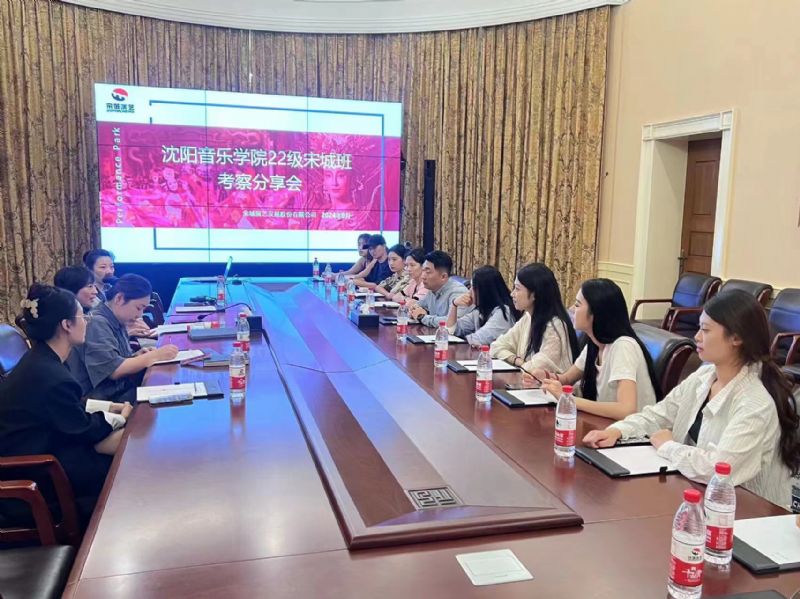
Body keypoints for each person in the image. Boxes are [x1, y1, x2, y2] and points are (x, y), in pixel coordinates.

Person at [584, 290, 800, 509]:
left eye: (705, 330)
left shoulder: (755, 402)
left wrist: (668, 446)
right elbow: (659, 414)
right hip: (699, 496)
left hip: (748, 512)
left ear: (736, 338)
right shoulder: (705, 375)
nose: (696, 336)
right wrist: (617, 431)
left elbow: (718, 469)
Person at [0, 284, 132, 516]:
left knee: (121, 447)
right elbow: (83, 429)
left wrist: (111, 406)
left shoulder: (42, 358)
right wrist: (120, 418)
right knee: (123, 467)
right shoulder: (51, 374)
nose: (87, 322)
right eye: (83, 317)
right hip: (34, 473)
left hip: (45, 448)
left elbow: (69, 406)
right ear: (66, 325)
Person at [525, 278, 660, 420]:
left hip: (636, 430)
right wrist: (546, 377)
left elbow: (626, 410)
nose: (571, 309)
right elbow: (567, 378)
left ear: (596, 312)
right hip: (608, 425)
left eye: (577, 304)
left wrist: (569, 399)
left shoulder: (623, 347)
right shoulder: (595, 344)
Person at [68, 274, 179, 402]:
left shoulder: (116, 318)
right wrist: (153, 356)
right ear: (119, 299)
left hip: (120, 389)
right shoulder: (97, 322)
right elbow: (114, 371)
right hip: (104, 398)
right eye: (138, 308)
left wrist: (136, 356)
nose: (140, 315)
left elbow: (117, 359)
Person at [490, 263, 578, 372]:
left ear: (534, 295)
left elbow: (535, 370)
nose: (512, 294)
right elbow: (496, 347)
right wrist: (518, 361)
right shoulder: (527, 318)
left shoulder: (554, 326)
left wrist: (521, 363)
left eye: (517, 289)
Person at [446, 265, 517, 347]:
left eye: (473, 288)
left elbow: (477, 340)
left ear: (485, 291)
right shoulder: (480, 311)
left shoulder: (503, 312)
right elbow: (451, 330)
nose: (469, 292)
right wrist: (454, 305)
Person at [409, 250, 468, 328]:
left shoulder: (458, 292)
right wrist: (414, 309)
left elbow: (452, 323)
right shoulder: (432, 289)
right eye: (423, 271)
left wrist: (422, 317)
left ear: (443, 276)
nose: (423, 276)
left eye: (428, 272)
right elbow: (419, 305)